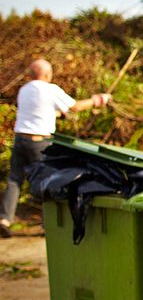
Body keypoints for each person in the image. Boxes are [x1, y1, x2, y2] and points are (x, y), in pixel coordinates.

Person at [0, 59, 112, 238]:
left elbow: (38, 110)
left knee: (15, 180)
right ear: (47, 74)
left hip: (20, 139)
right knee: (47, 180)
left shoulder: (24, 90)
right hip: (40, 142)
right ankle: (48, 224)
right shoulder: (50, 90)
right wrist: (98, 100)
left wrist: (58, 114)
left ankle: (4, 220)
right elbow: (75, 106)